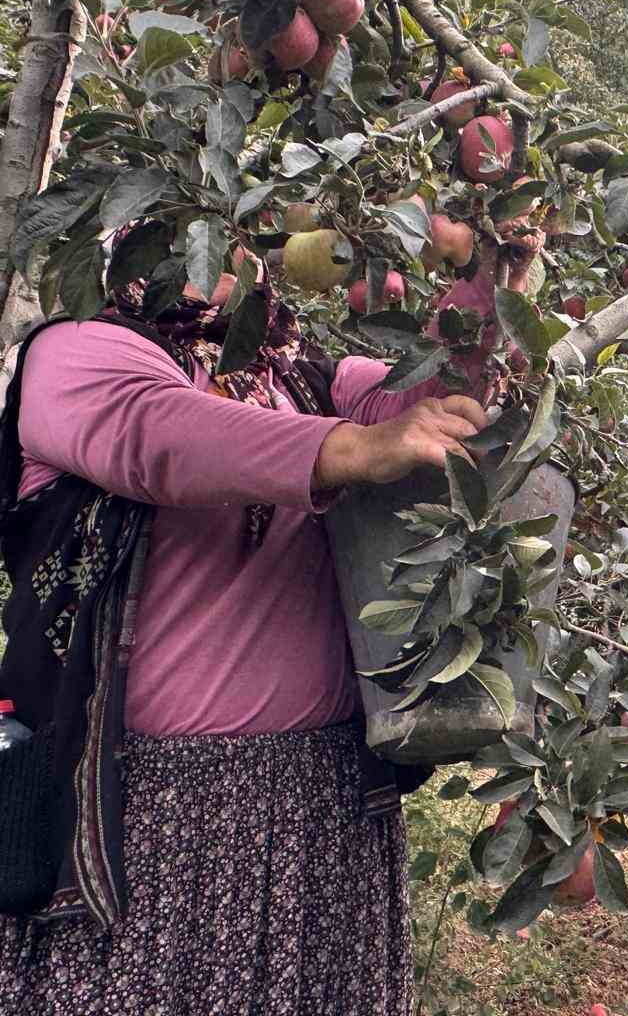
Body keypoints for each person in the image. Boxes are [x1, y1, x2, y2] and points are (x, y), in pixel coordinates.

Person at [0, 226, 535, 1015]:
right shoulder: (78, 353)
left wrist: (488, 280)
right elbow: (163, 439)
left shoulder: (296, 374)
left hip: (324, 795)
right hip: (159, 810)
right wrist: (353, 448)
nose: (217, 254)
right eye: (186, 233)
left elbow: (432, 402)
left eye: (231, 233)